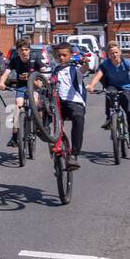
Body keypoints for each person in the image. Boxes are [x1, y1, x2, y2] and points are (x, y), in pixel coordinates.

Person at [88, 41, 130, 149]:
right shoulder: (106, 64)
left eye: (116, 52)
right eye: (112, 53)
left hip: (127, 87)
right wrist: (91, 85)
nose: (114, 55)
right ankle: (110, 119)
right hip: (113, 86)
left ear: (120, 52)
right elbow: (98, 75)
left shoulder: (126, 62)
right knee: (109, 93)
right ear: (109, 54)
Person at [0, 38, 46, 148]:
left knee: (35, 101)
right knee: (17, 106)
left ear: (29, 50)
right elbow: (6, 73)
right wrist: (1, 82)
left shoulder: (35, 58)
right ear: (18, 51)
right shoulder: (15, 60)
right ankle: (15, 137)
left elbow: (44, 70)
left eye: (26, 49)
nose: (24, 52)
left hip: (34, 86)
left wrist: (40, 76)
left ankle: (39, 126)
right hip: (21, 87)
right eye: (21, 50)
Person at [50, 41, 87, 169]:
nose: (61, 58)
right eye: (59, 55)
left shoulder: (74, 68)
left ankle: (74, 155)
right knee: (43, 109)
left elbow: (84, 69)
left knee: (78, 117)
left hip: (73, 102)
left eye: (64, 55)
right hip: (57, 103)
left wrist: (85, 63)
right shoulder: (54, 70)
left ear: (70, 55)